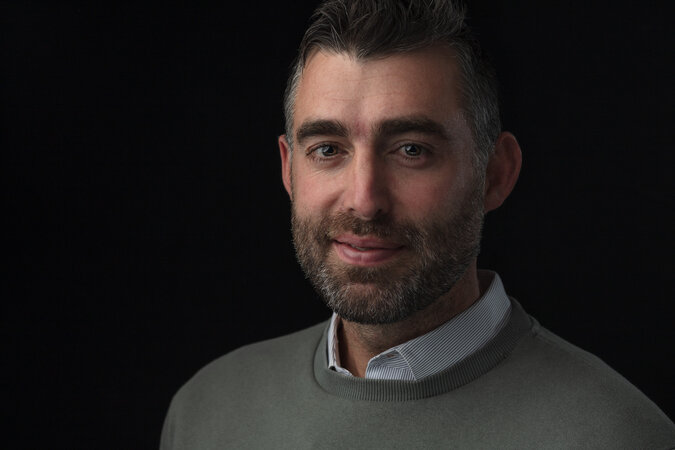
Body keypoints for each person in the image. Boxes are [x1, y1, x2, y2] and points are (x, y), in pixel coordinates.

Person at [160, 0, 675, 448]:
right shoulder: (207, 411)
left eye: (411, 150)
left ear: (495, 174)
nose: (365, 201)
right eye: (328, 150)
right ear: (288, 170)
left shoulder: (618, 436)